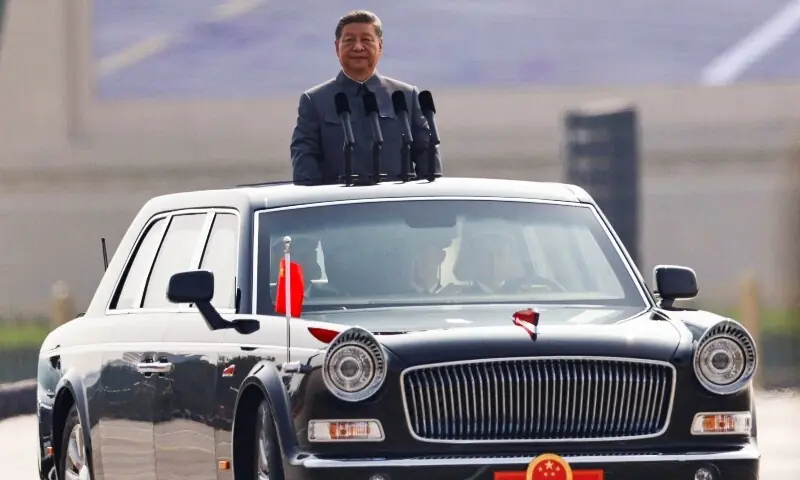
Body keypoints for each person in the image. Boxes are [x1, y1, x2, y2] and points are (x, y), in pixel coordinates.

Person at [290, 10, 442, 185]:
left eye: (366, 40)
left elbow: (427, 158)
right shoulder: (315, 101)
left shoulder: (406, 97)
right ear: (336, 47)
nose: (358, 47)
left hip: (396, 207)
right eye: (349, 40)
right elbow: (305, 161)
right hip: (339, 207)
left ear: (380, 46)